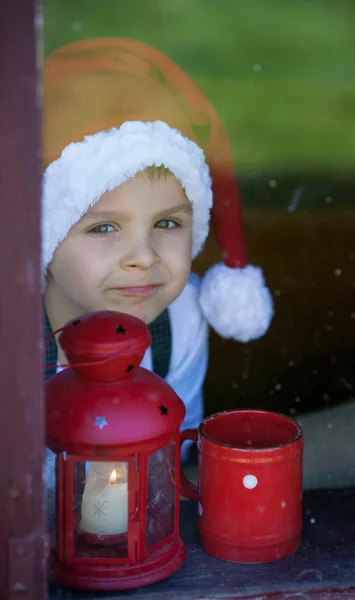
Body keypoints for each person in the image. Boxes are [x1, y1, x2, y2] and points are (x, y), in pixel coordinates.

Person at [42, 37, 274, 490]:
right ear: (44, 239)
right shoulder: (13, 340)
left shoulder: (182, 320)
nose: (145, 257)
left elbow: (168, 460)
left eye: (167, 223)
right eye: (104, 228)